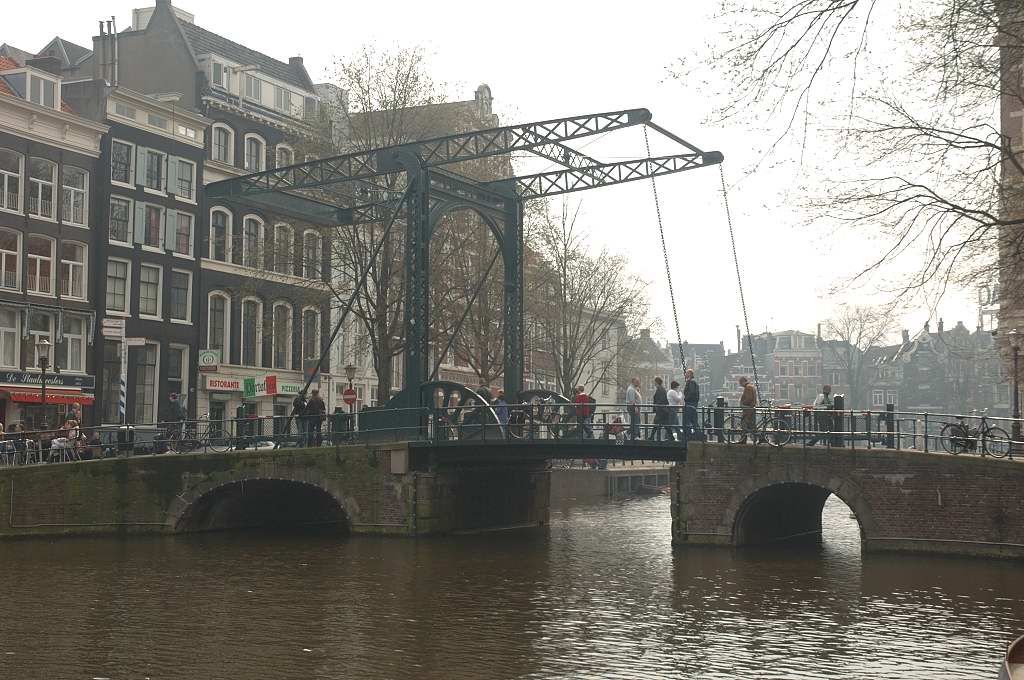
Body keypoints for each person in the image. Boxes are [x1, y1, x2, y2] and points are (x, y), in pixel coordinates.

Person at [650, 377, 672, 442]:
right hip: (662, 410)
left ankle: (652, 437)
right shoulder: (661, 389)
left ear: (656, 382)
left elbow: (661, 400)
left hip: (661, 411)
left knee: (657, 424)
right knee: (664, 425)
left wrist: (657, 406)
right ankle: (672, 437)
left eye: (654, 382)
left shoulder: (660, 389)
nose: (654, 383)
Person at [738, 376, 758, 444]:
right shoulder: (750, 386)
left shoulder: (748, 387)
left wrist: (743, 404)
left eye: (740, 383)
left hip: (748, 409)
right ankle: (758, 438)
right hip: (751, 408)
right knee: (751, 425)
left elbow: (749, 398)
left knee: (744, 423)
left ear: (743, 382)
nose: (740, 385)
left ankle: (743, 439)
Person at [683, 369, 700, 438]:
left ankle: (689, 434)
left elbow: (691, 392)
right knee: (693, 419)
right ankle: (697, 433)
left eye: (686, 373)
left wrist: (686, 398)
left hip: (690, 403)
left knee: (688, 419)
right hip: (692, 403)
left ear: (689, 374)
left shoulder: (691, 382)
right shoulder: (692, 382)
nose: (685, 374)